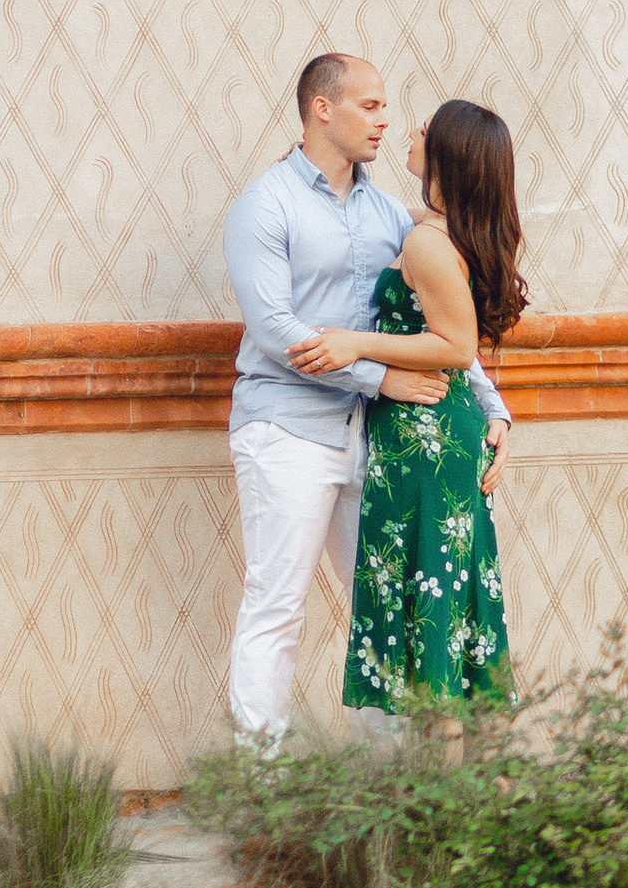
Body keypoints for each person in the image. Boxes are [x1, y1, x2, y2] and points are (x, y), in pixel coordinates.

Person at [219, 52, 510, 749]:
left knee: (386, 605)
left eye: (386, 108)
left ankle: (392, 781)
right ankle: (261, 782)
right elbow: (276, 330)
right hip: (287, 430)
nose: (386, 120)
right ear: (324, 109)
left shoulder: (390, 215)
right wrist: (378, 380)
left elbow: (432, 329)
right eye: (371, 106)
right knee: (279, 606)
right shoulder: (266, 205)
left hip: (375, 444)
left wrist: (494, 406)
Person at [292, 97, 525, 723]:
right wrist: (495, 410)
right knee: (442, 598)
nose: (412, 129)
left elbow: (455, 344)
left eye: (428, 126)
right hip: (430, 432)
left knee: (432, 598)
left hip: (425, 440)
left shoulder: (426, 241)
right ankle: (454, 787)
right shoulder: (433, 230)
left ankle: (441, 791)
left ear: (447, 155)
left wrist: (355, 345)